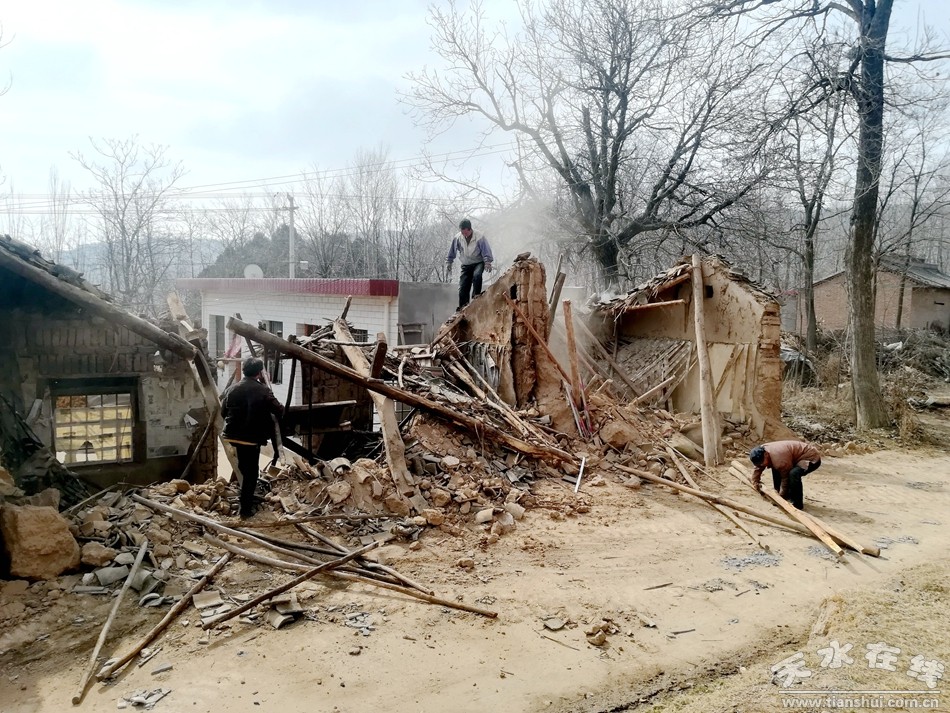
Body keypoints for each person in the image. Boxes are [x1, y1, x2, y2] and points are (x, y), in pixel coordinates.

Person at [221, 357, 284, 518]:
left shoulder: (232, 389)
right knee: (251, 473)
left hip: (233, 436)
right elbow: (279, 409)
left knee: (245, 468)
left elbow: (223, 413)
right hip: (251, 438)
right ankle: (245, 510)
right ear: (259, 373)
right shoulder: (263, 390)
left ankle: (245, 499)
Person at [749, 440, 822, 510]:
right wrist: (755, 481)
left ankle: (797, 504)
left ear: (766, 454)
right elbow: (758, 468)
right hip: (791, 457)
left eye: (762, 462)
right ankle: (781, 494)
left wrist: (780, 498)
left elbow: (785, 478)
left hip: (811, 457)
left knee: (793, 474)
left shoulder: (779, 457)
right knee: (776, 466)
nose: (761, 465)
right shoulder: (762, 451)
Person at [446, 219, 494, 310]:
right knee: (463, 286)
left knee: (477, 275)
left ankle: (476, 298)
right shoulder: (458, 237)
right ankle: (463, 307)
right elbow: (452, 250)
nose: (464, 235)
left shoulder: (479, 237)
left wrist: (487, 262)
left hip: (478, 262)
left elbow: (486, 250)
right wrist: (449, 261)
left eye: (465, 233)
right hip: (466, 264)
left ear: (470, 229)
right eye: (462, 233)